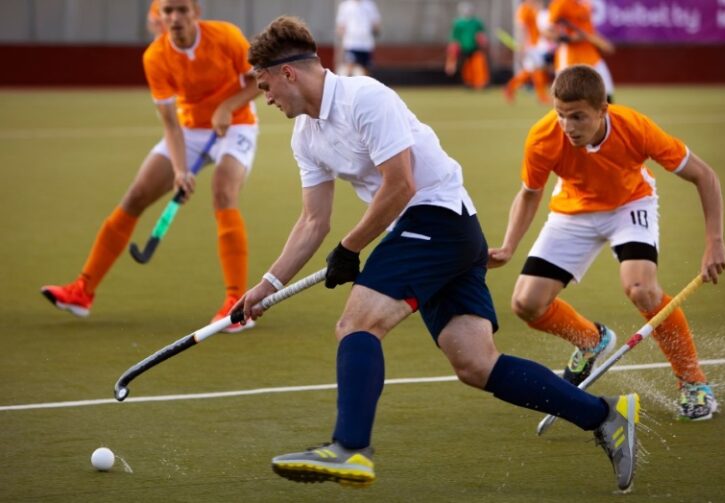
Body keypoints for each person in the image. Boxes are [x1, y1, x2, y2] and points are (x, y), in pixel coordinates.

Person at [238, 15, 640, 492]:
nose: (265, 98)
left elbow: (402, 183)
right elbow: (312, 222)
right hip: (436, 231)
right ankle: (607, 416)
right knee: (475, 363)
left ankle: (349, 449)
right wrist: (268, 285)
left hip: (439, 218)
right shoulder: (305, 135)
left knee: (357, 324)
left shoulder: (364, 97)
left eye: (265, 85)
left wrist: (350, 249)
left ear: (288, 73)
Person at [489, 65, 725, 422]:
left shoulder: (635, 128)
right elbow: (529, 194)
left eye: (578, 117)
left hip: (630, 204)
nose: (568, 127)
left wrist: (715, 241)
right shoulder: (543, 137)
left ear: (603, 111)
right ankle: (590, 341)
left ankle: (692, 382)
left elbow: (704, 175)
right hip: (573, 210)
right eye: (561, 115)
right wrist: (508, 246)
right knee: (526, 304)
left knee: (642, 290)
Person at [41, 0, 261, 334]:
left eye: (181, 9)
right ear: (159, 17)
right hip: (187, 131)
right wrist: (179, 171)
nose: (174, 18)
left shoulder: (226, 36)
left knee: (222, 192)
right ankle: (82, 291)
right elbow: (171, 125)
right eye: (167, 11)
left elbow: (259, 79)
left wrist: (228, 106)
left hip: (238, 124)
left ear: (196, 12)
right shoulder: (155, 57)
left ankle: (237, 304)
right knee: (136, 195)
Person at [545, 0, 616, 102]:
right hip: (569, 57)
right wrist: (568, 38)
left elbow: (589, 31)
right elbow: (547, 30)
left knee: (606, 94)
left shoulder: (586, 4)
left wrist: (602, 42)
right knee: (564, 97)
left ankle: (606, 118)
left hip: (591, 56)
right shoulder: (561, 3)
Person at [503, 0, 551, 104]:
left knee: (531, 70)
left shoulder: (536, 7)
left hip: (539, 44)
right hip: (531, 45)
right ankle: (541, 96)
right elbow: (521, 28)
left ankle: (510, 87)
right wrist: (524, 44)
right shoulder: (524, 9)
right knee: (536, 69)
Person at [445, 2, 490, 90]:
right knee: (466, 67)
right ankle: (468, 83)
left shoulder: (477, 23)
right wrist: (453, 50)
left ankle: (480, 83)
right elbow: (454, 38)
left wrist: (483, 41)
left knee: (478, 65)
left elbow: (481, 35)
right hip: (463, 48)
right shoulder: (458, 23)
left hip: (475, 48)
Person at [335, 0, 381, 77]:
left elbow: (375, 22)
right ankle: (347, 87)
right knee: (349, 67)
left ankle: (365, 87)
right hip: (351, 43)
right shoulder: (345, 6)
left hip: (366, 44)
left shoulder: (369, 5)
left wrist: (375, 29)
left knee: (366, 70)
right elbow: (341, 25)